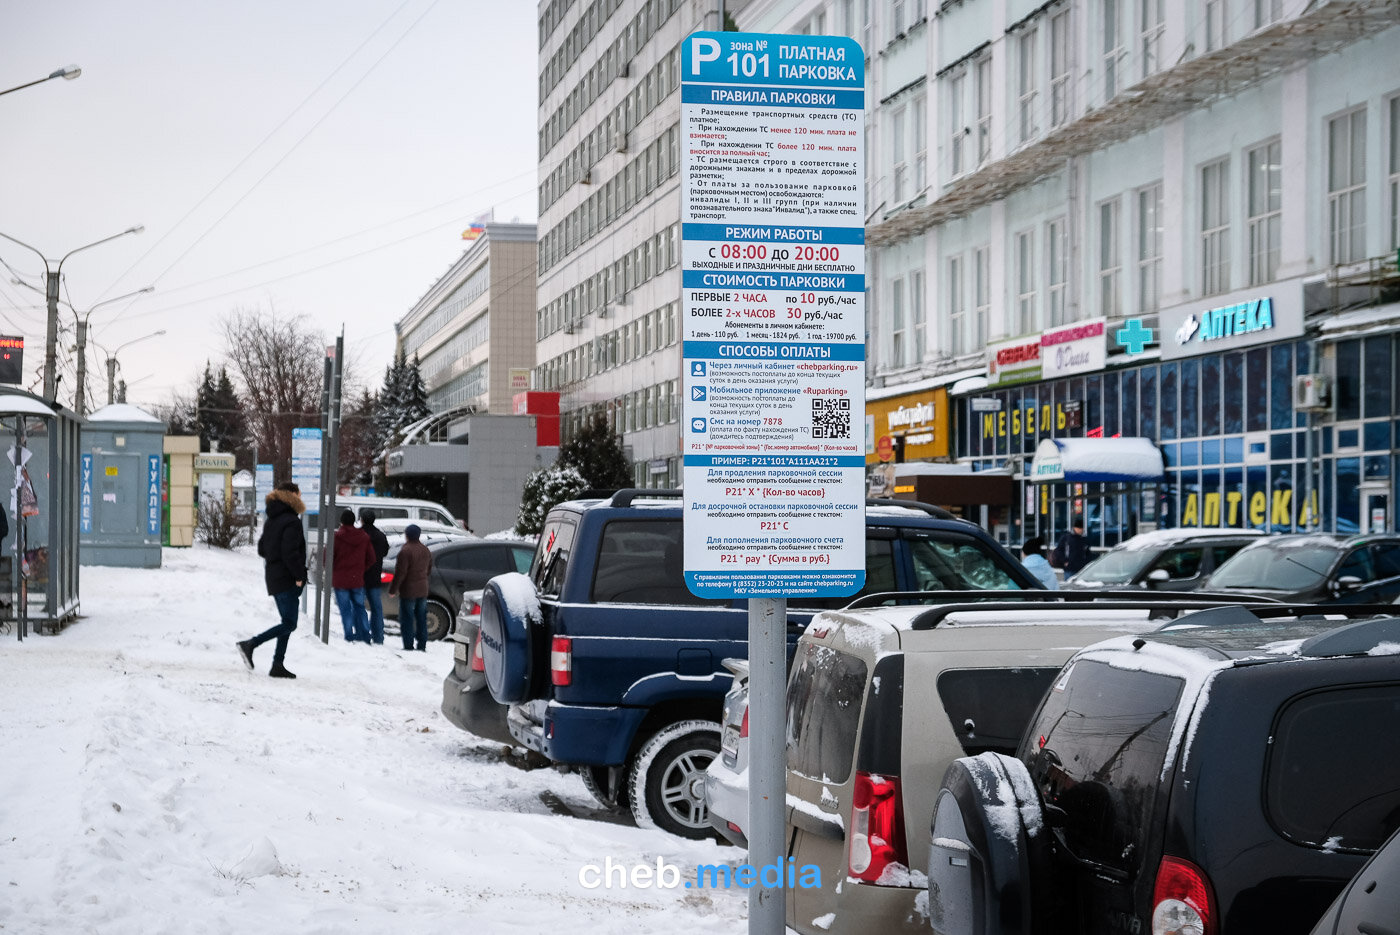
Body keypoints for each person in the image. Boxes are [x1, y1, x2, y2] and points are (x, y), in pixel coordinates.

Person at [238, 481, 306, 679]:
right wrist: (299, 575)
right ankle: (251, 644)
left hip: (274, 576)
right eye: (298, 494)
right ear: (292, 496)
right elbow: (290, 552)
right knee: (290, 624)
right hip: (288, 578)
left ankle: (278, 664)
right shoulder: (292, 521)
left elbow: (261, 549)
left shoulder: (272, 519)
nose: (300, 498)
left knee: (287, 621)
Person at [332, 509, 376, 643]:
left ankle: (349, 634)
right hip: (357, 579)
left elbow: (327, 557)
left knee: (345, 609)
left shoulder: (336, 537)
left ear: (341, 521)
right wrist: (361, 569)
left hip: (340, 579)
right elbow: (372, 558)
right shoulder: (363, 537)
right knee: (360, 607)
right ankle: (365, 633)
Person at [389, 523, 433, 651]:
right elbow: (428, 570)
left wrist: (393, 589)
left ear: (407, 535)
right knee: (421, 618)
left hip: (408, 590)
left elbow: (400, 573)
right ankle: (422, 644)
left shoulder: (405, 551)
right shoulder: (426, 550)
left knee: (407, 618)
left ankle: (408, 645)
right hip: (423, 589)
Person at [360, 508, 390, 645]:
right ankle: (378, 636)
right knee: (376, 608)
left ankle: (363, 634)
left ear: (361, 519)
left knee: (359, 607)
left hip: (359, 576)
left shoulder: (358, 534)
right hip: (375, 576)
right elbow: (384, 552)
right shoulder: (380, 536)